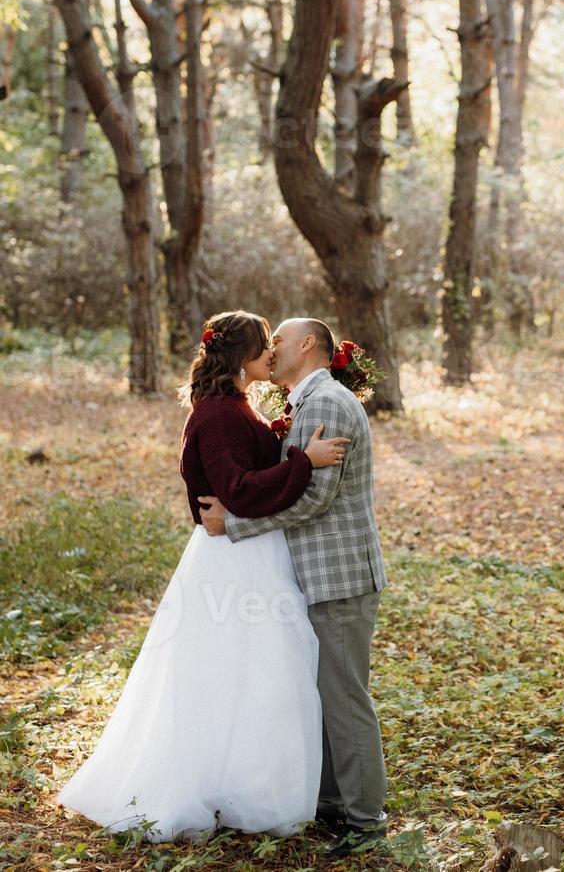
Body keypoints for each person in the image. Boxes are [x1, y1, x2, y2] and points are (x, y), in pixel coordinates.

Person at [56, 310, 350, 842]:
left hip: (253, 554)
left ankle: (241, 783)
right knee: (226, 672)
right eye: (265, 344)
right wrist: (304, 461)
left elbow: (249, 475)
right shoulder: (217, 413)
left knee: (257, 674)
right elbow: (237, 491)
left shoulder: (237, 405)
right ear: (242, 355)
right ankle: (203, 786)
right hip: (231, 563)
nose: (272, 352)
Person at [199, 317, 388, 858]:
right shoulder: (307, 402)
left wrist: (232, 525)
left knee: (345, 695)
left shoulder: (326, 402)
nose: (271, 347)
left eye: (278, 338)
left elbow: (313, 500)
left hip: (340, 574)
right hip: (318, 575)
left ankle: (364, 820)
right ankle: (333, 804)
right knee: (325, 692)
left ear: (308, 344)